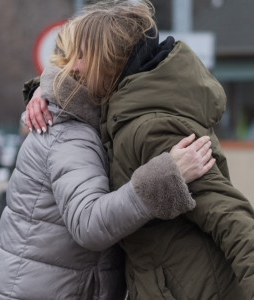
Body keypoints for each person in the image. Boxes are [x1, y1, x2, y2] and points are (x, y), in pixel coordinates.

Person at [23, 1, 254, 299]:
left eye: (83, 56)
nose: (75, 66)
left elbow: (230, 216)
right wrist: (43, 91)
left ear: (110, 61)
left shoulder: (151, 127)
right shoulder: (122, 113)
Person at [0, 28, 215, 300]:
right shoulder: (71, 134)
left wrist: (44, 89)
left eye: (83, 55)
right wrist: (166, 177)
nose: (76, 65)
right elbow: (89, 223)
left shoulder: (84, 122)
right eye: (74, 56)